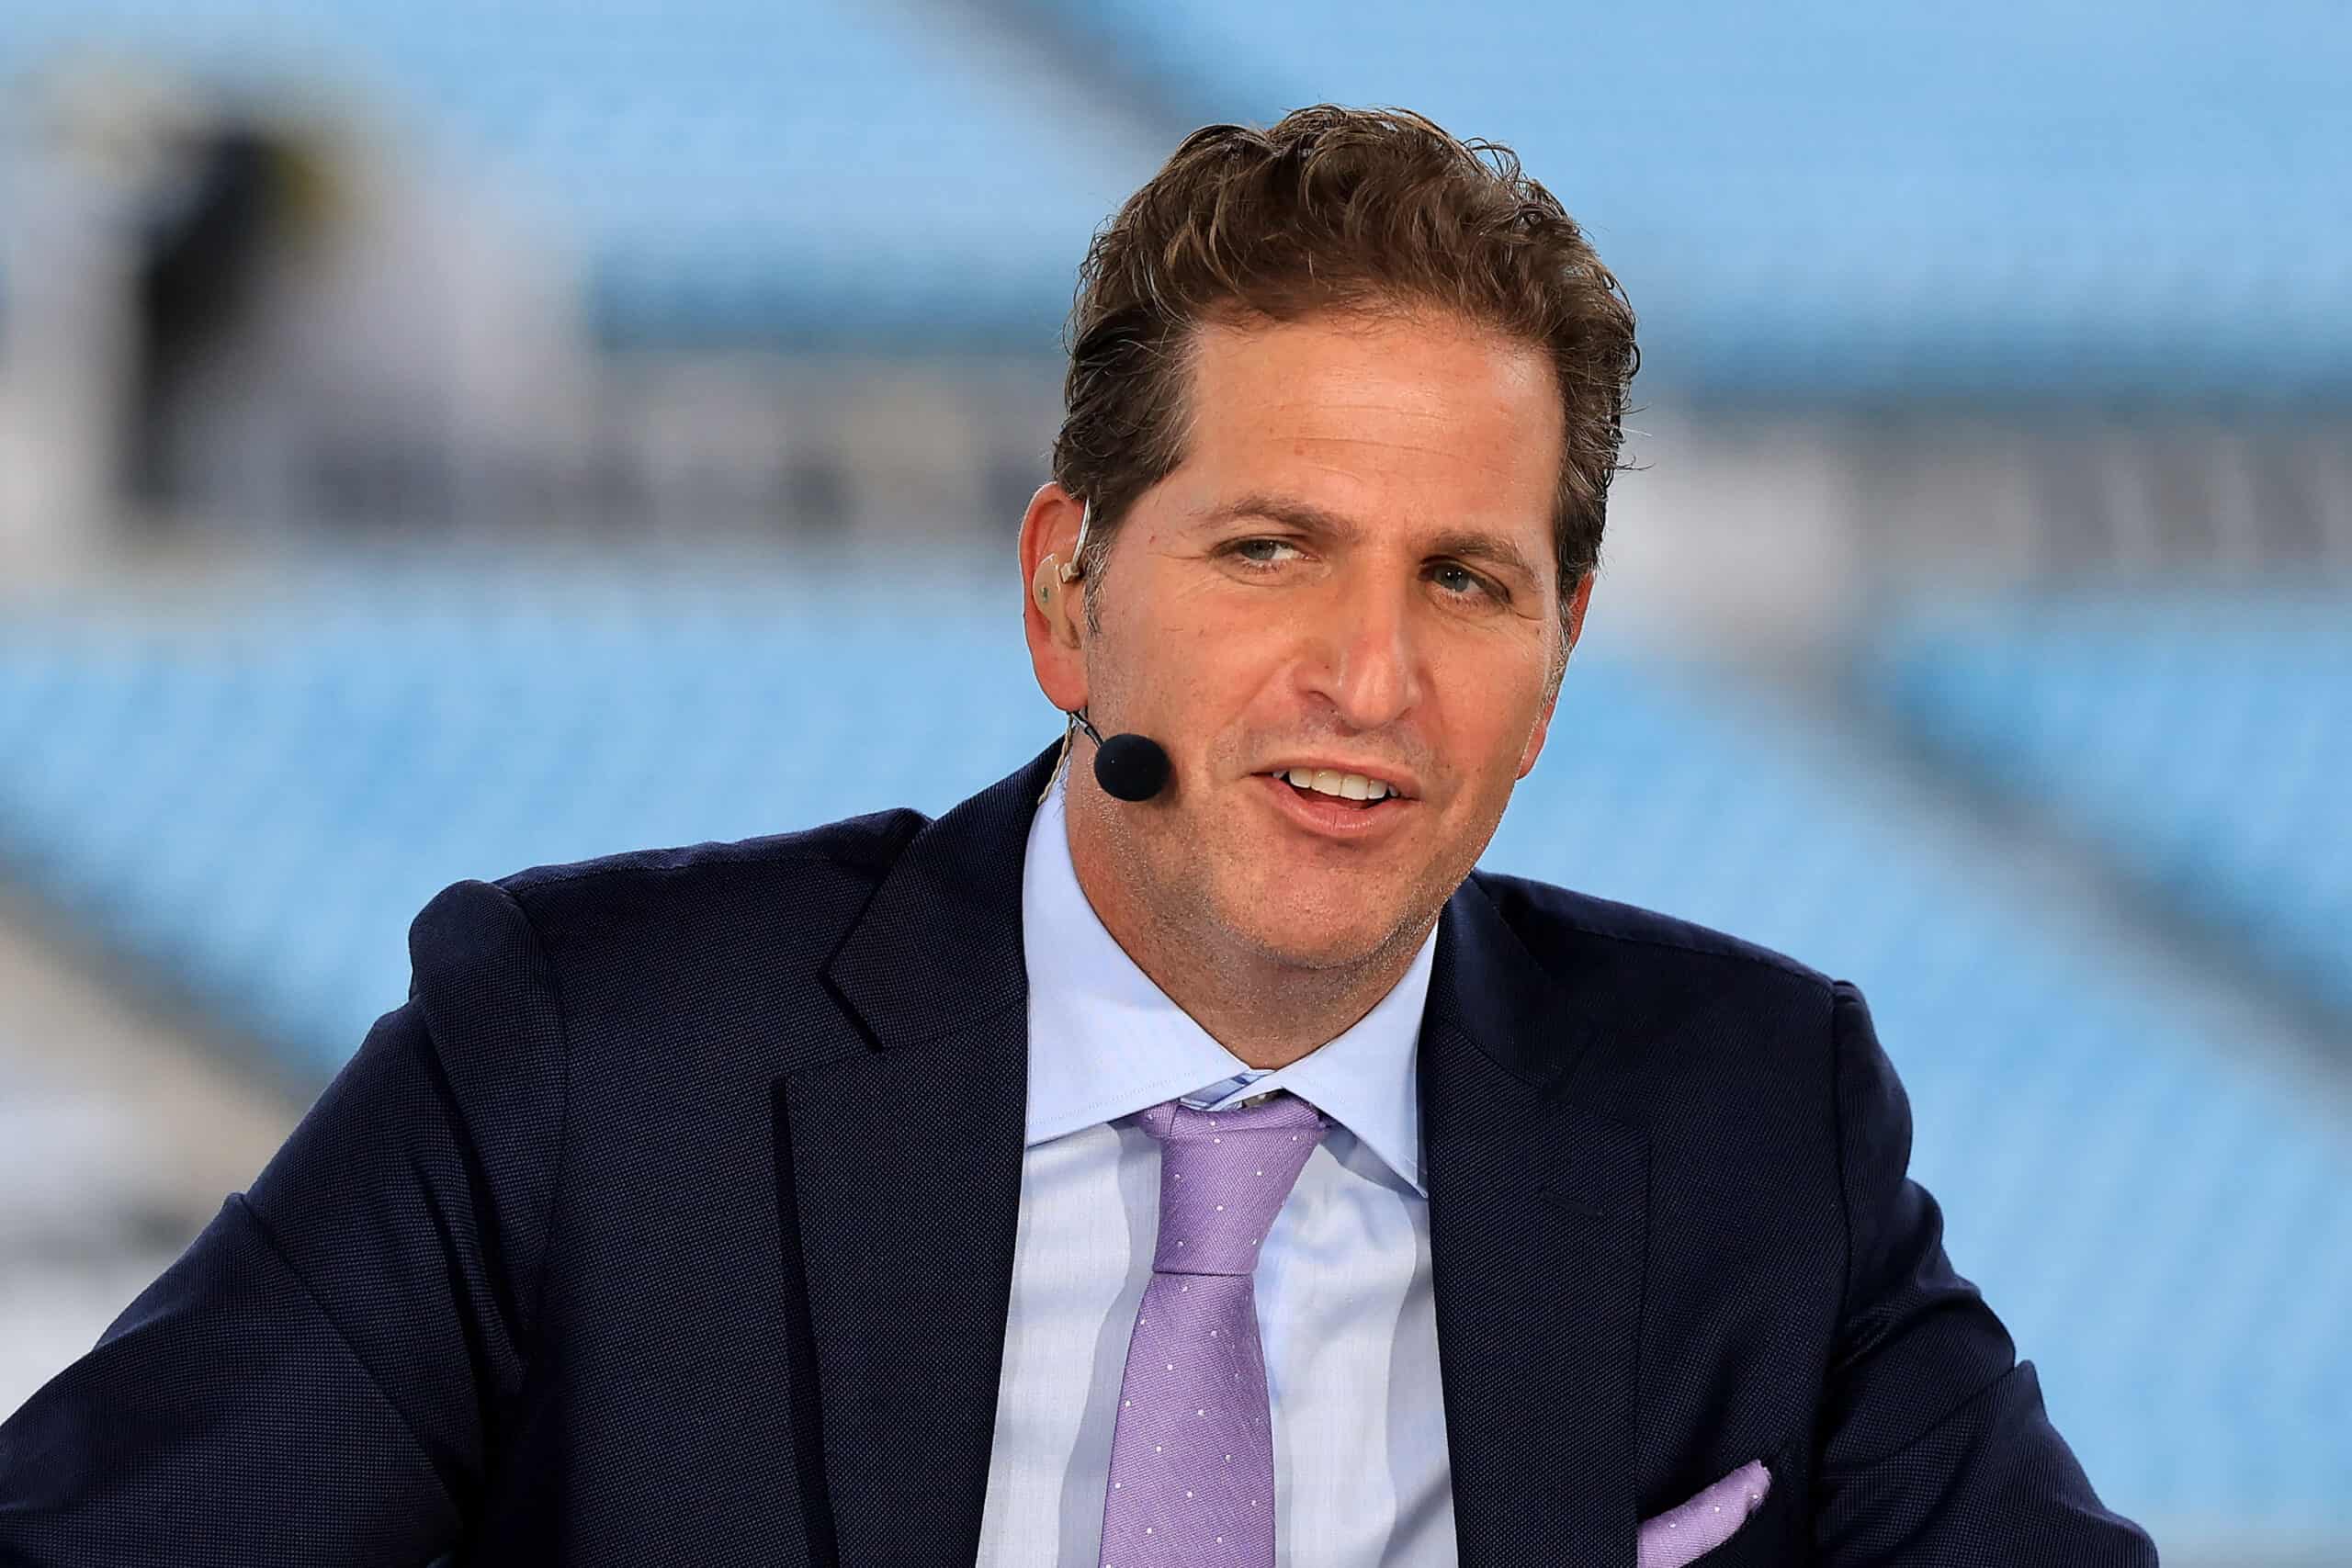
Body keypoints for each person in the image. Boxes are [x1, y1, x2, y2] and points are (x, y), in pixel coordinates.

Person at [0, 106, 2156, 1567]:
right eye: (1268, 547)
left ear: (1559, 648)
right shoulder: (584, 1061)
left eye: (1464, 581)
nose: (1367, 676)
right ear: (1064, 594)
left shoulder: (1752, 1122)